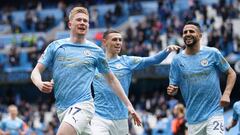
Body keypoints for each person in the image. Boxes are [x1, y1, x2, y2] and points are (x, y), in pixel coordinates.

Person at [31, 7, 141, 135]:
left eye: (85, 21)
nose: (83, 23)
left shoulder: (96, 51)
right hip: (62, 108)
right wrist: (39, 83)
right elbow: (35, 72)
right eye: (79, 20)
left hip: (84, 105)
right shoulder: (56, 46)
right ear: (70, 24)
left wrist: (129, 105)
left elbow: (111, 79)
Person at [91, 29, 180, 135]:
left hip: (121, 118)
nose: (118, 42)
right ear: (104, 42)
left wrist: (167, 51)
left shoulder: (127, 61)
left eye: (120, 40)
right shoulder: (95, 63)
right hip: (99, 117)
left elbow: (153, 60)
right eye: (114, 39)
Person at [167, 21, 236, 135]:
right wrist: (172, 90)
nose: (187, 34)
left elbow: (231, 73)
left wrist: (226, 94)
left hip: (214, 113)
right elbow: (173, 87)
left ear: (200, 35)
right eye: (185, 32)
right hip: (193, 119)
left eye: (191, 31)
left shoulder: (212, 53)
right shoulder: (177, 60)